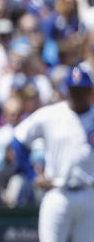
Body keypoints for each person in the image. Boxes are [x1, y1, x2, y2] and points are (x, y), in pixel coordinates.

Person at [11, 62, 94, 242]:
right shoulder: (51, 114)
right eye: (74, 89)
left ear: (89, 91)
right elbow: (18, 139)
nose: (77, 94)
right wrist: (31, 174)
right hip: (58, 192)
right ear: (67, 89)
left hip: (89, 192)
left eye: (82, 89)